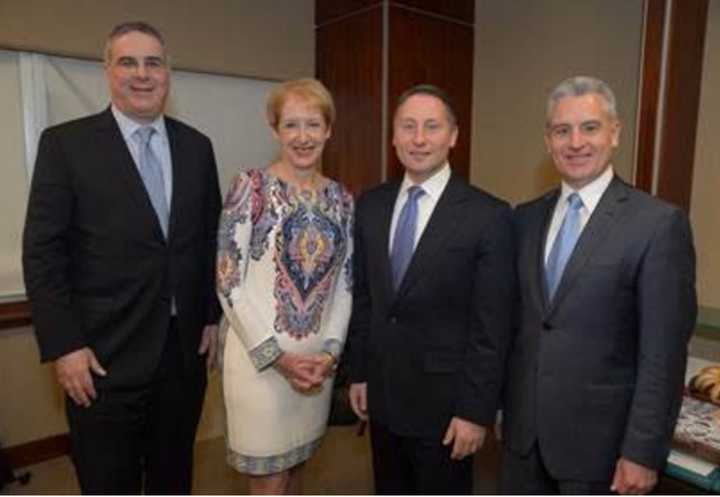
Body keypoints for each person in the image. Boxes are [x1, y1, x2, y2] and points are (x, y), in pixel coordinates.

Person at [22, 21, 221, 494]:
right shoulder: (65, 145)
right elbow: (42, 251)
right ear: (107, 71)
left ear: (168, 72)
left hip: (182, 355)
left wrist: (211, 315)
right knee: (108, 481)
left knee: (174, 478)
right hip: (100, 358)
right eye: (128, 62)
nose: (142, 74)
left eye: (154, 62)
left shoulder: (197, 147)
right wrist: (64, 345)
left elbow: (209, 240)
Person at [501, 76, 697, 494]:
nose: (575, 142)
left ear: (615, 134)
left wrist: (643, 452)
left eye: (589, 127)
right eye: (561, 130)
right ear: (548, 140)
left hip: (602, 454)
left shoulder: (657, 225)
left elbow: (662, 355)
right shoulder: (524, 219)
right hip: (523, 442)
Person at [347, 84, 516, 494]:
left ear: (453, 136)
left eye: (431, 126)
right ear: (394, 136)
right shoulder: (370, 205)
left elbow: (491, 326)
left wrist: (476, 412)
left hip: (447, 409)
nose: (418, 138)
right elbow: (365, 299)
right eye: (408, 126)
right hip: (383, 399)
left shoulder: (488, 215)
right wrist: (360, 374)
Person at [216, 78, 353, 495]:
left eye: (313, 124)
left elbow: (345, 284)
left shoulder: (342, 199)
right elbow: (228, 282)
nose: (303, 137)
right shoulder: (249, 187)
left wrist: (329, 353)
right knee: (269, 480)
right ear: (274, 130)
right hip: (260, 366)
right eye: (291, 125)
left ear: (329, 129)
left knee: (296, 472)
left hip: (316, 367)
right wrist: (278, 358)